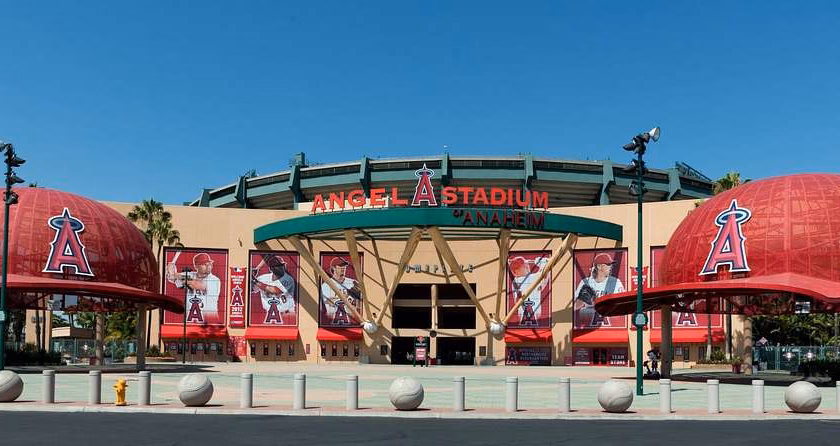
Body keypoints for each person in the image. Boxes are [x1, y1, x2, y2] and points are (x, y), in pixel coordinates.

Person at [166, 252, 222, 324]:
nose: (208, 266)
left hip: (210, 323)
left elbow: (196, 284)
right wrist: (171, 270)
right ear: (196, 266)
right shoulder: (190, 275)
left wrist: (176, 274)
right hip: (191, 322)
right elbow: (172, 278)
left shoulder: (215, 280)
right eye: (204, 264)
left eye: (209, 263)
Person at [574, 252, 625, 328]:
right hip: (588, 327)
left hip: (611, 326)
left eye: (611, 264)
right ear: (599, 266)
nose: (610, 267)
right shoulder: (585, 282)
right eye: (607, 264)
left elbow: (623, 305)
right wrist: (582, 299)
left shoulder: (616, 282)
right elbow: (575, 307)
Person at [252, 256, 296, 324]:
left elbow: (274, 291)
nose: (281, 267)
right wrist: (249, 277)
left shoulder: (288, 279)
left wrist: (254, 280)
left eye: (282, 265)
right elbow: (251, 289)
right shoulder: (262, 278)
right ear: (271, 269)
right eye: (278, 266)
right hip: (268, 314)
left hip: (286, 314)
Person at [320, 257, 362, 325]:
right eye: (340, 266)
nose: (343, 268)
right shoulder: (326, 285)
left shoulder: (353, 283)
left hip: (352, 322)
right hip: (332, 322)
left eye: (344, 266)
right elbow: (327, 304)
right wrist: (347, 297)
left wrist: (358, 298)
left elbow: (360, 306)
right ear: (333, 268)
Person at [509, 255, 549, 325]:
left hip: (529, 316)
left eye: (526, 264)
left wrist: (544, 264)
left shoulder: (518, 280)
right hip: (530, 316)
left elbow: (544, 278)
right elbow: (543, 274)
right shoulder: (522, 279)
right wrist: (543, 263)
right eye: (523, 266)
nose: (527, 266)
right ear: (516, 271)